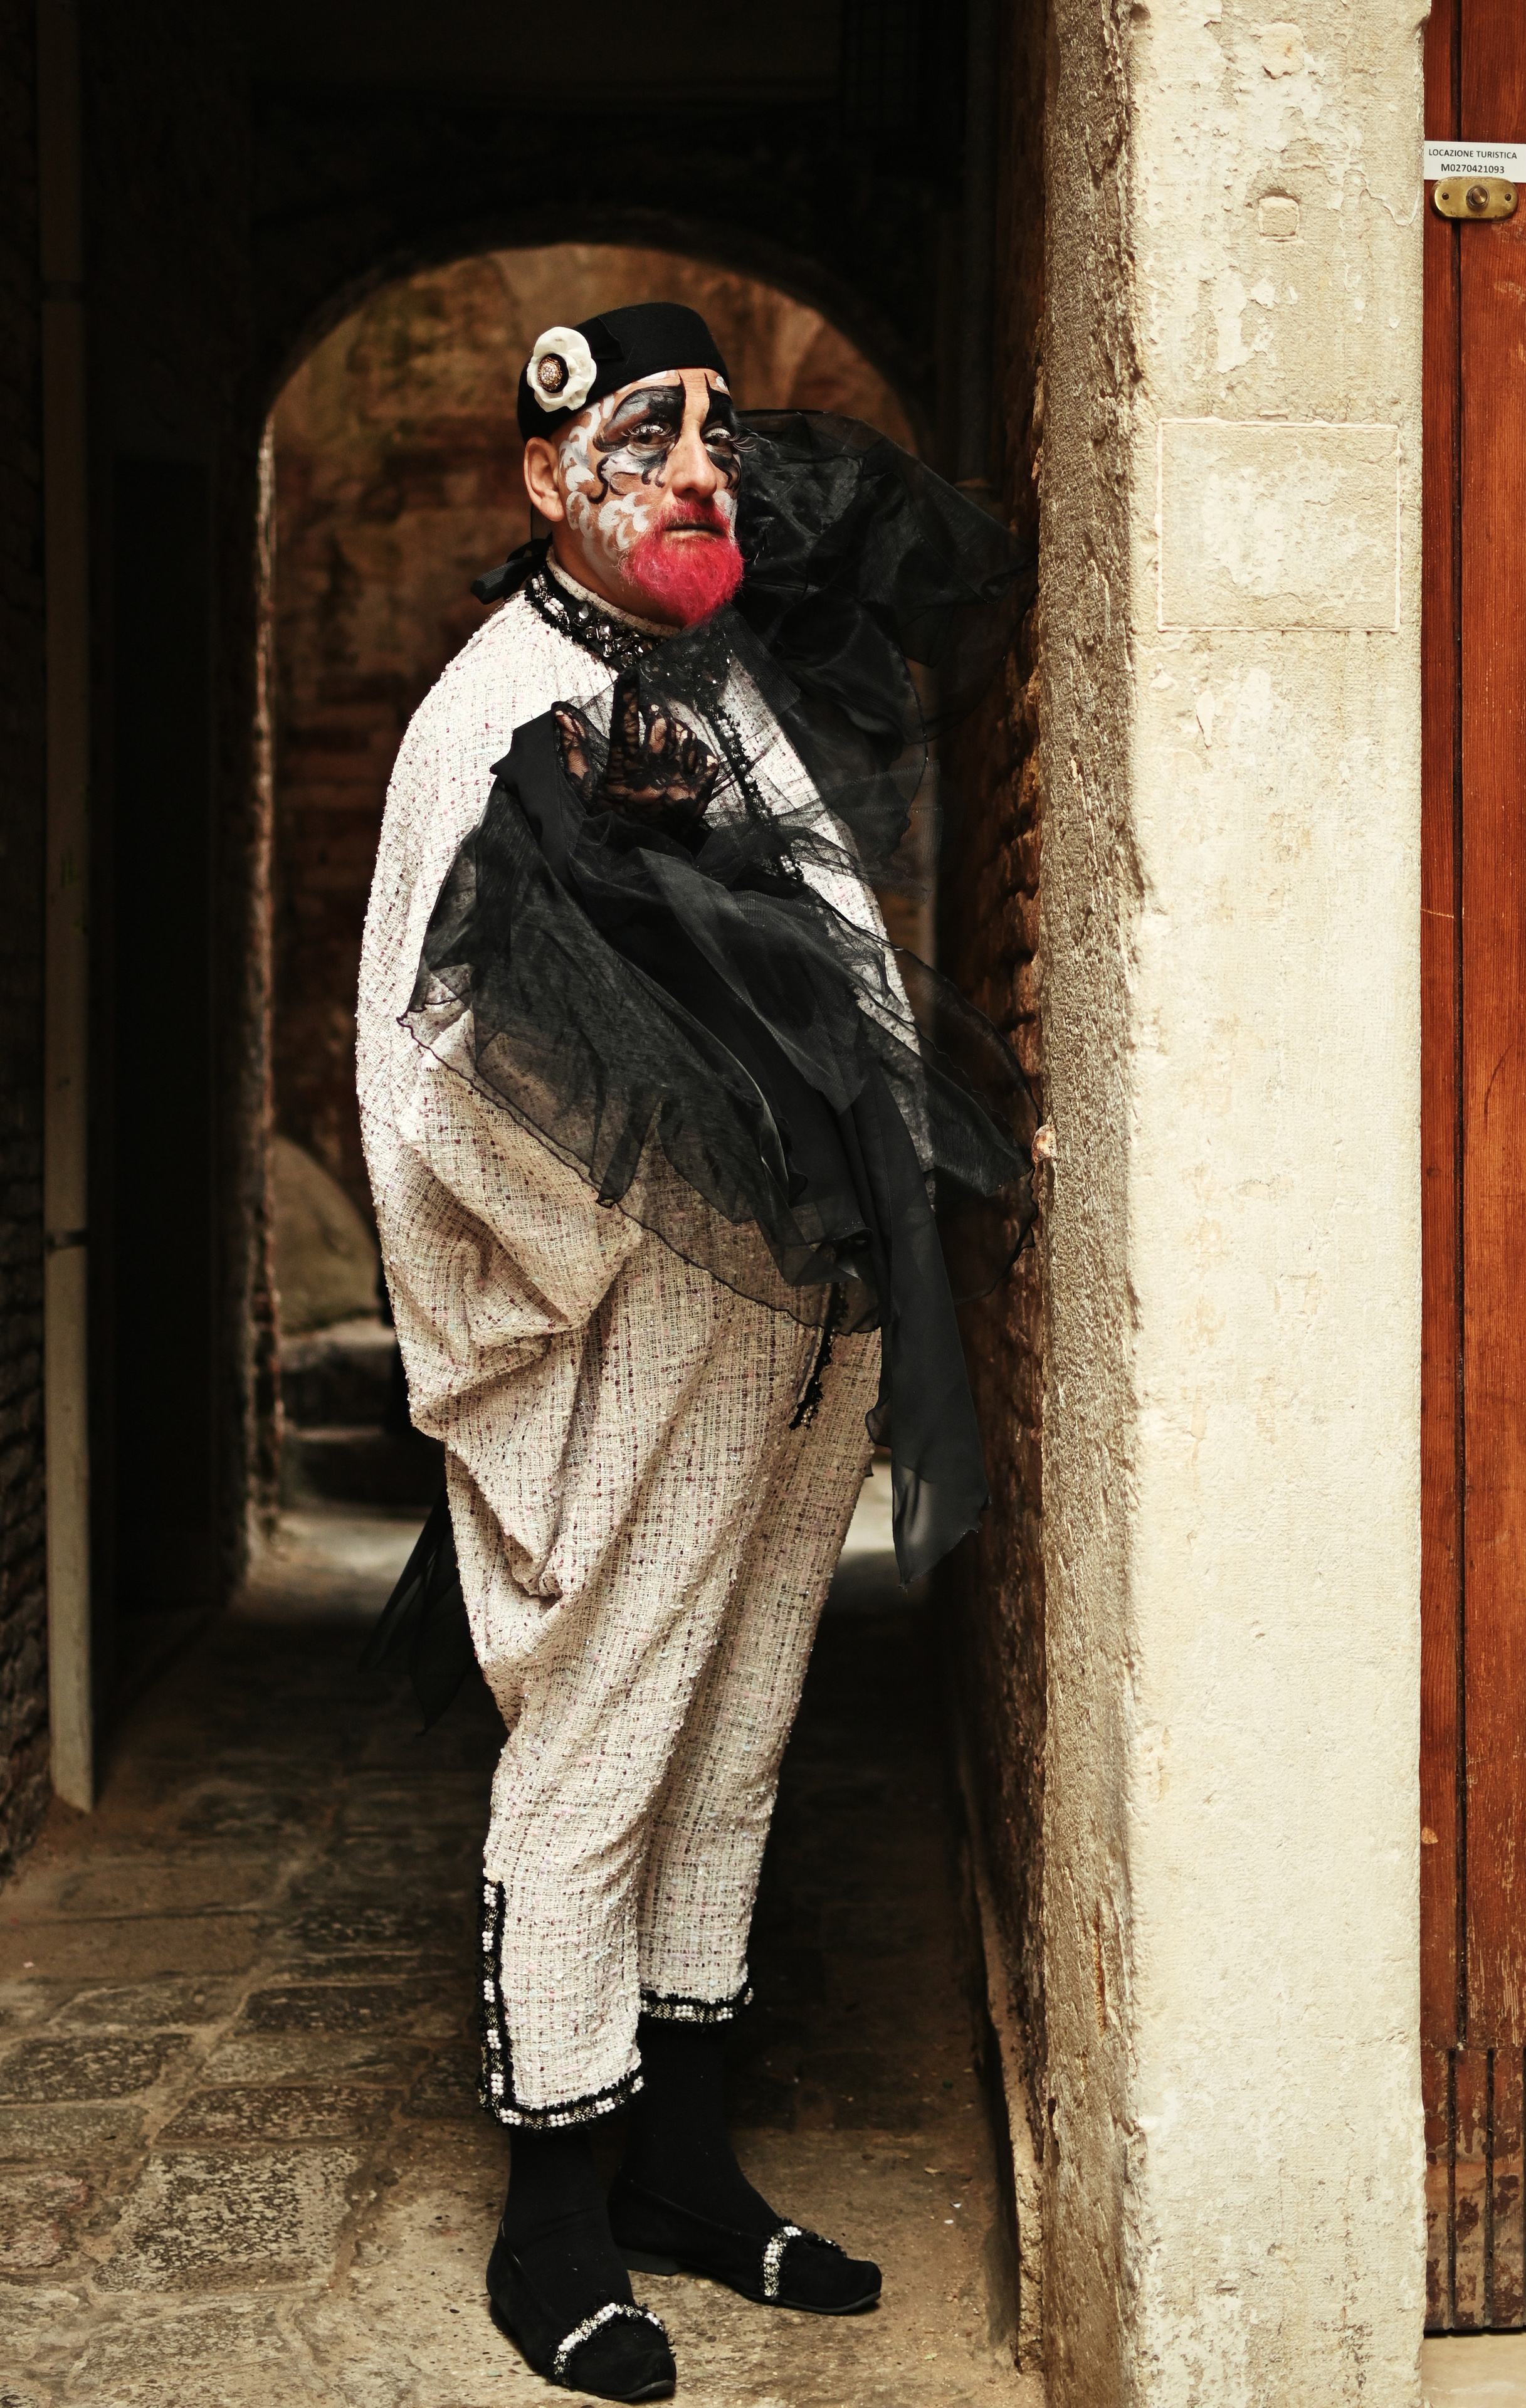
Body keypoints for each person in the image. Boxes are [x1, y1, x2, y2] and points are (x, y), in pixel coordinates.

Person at [356, 301, 1032, 2400]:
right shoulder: (495, 709)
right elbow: (429, 1064)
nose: (702, 474)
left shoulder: (718, 673)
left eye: (721, 438)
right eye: (652, 442)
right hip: (637, 1325)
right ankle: (551, 2223)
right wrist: (613, 1276)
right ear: (548, 476)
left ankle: (682, 2164)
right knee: (603, 1742)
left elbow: (824, 940)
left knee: (740, 1724)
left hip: (808, 1305)